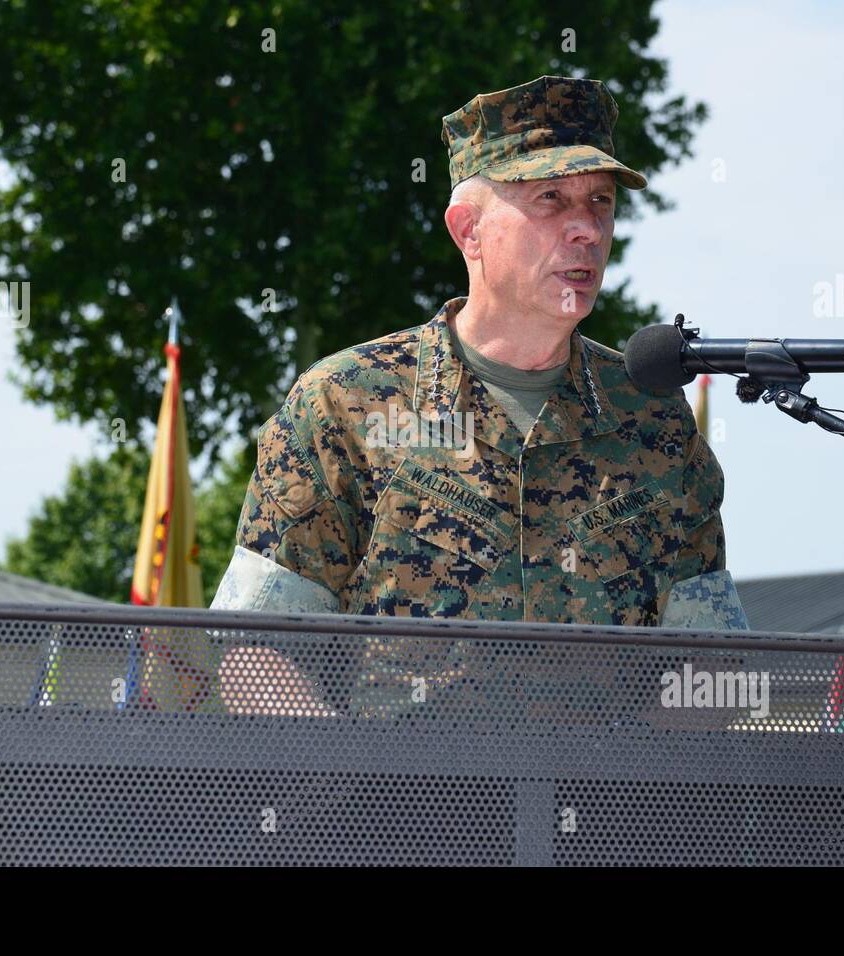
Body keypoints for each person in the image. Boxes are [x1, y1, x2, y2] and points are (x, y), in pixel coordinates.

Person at [211, 75, 748, 714]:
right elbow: (255, 647)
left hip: (602, 804)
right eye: (551, 198)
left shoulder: (652, 417)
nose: (586, 229)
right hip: (400, 806)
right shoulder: (344, 405)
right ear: (468, 230)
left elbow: (712, 662)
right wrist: (343, 796)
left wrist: (634, 800)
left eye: (600, 201)